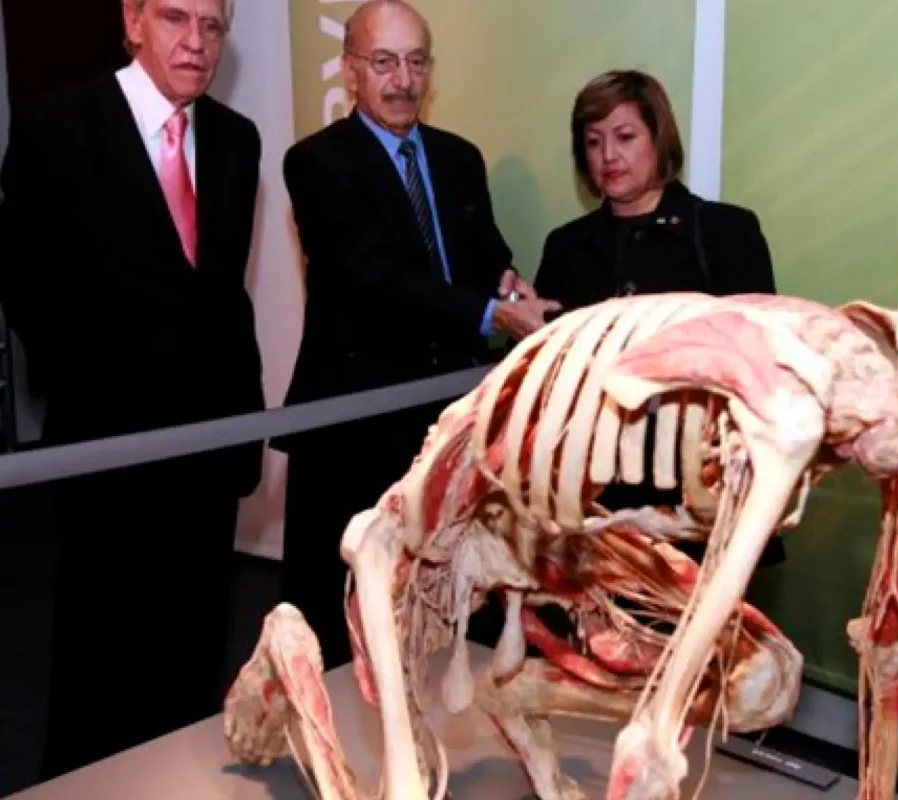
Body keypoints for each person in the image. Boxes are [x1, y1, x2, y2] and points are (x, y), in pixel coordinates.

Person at [0, 0, 265, 779]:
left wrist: (236, 426)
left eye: (212, 27)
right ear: (134, 20)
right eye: (176, 19)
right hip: (109, 455)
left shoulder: (236, 139)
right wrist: (109, 395)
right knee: (101, 666)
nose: (196, 42)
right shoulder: (58, 127)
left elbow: (222, 298)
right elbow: (28, 289)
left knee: (193, 654)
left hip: (210, 449)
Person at [272, 0, 560, 670]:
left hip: (445, 426)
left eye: (416, 61)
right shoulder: (316, 163)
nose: (402, 80)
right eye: (383, 62)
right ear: (349, 70)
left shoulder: (459, 158)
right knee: (348, 612)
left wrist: (510, 288)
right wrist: (491, 316)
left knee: (444, 605)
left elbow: (485, 253)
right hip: (356, 426)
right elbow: (373, 275)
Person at [534, 69, 785, 568]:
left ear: (659, 138)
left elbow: (762, 367)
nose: (609, 156)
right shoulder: (566, 246)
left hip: (699, 500)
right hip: (594, 507)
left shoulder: (725, 232)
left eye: (625, 137)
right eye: (593, 142)